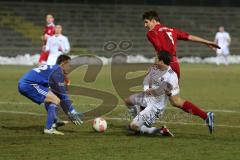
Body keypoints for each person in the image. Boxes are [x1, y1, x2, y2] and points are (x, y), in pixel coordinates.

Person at [142, 11, 218, 133]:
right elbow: (189, 37)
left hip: (165, 66)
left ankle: (142, 123)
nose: (145, 25)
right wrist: (207, 42)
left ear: (153, 20)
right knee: (175, 101)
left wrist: (154, 68)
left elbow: (160, 52)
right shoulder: (172, 30)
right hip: (175, 65)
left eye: (146, 22)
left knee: (148, 91)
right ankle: (206, 116)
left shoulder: (151, 33)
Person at [18, 55, 82, 135]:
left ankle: (54, 121)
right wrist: (72, 111)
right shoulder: (57, 72)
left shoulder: (54, 69)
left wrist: (69, 112)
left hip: (28, 84)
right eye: (69, 65)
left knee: (52, 98)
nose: (70, 67)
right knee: (55, 99)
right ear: (62, 64)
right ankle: (48, 128)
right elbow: (63, 95)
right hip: (29, 85)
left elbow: (58, 94)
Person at [124, 51, 179, 136]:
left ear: (161, 61)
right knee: (128, 101)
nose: (154, 59)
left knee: (133, 126)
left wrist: (170, 92)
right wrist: (146, 89)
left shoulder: (172, 75)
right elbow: (147, 79)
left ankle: (161, 131)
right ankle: (138, 122)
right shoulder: (154, 69)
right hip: (146, 97)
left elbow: (176, 89)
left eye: (156, 58)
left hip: (155, 107)